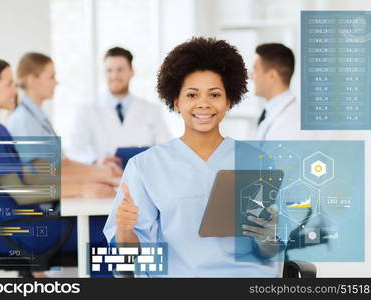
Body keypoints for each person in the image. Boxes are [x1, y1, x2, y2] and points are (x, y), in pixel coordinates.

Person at [103, 37, 286, 277]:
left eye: (214, 94)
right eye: (192, 95)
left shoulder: (257, 162)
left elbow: (272, 252)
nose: (203, 104)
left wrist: (266, 237)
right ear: (176, 101)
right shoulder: (146, 166)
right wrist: (125, 230)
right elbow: (128, 259)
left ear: (229, 100)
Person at [0, 58, 101, 269]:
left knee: (106, 226)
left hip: (26, 224)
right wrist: (83, 190)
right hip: (16, 231)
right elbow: (23, 193)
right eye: (8, 84)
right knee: (108, 228)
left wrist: (83, 187)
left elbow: (30, 178)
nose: (15, 90)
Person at [7, 52, 121, 190]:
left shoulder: (37, 117)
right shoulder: (23, 121)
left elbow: (61, 163)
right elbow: (41, 174)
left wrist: (98, 168)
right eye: (51, 77)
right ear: (32, 80)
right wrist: (96, 175)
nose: (56, 82)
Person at [68, 47, 172, 164]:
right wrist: (96, 161)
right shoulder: (87, 110)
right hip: (103, 178)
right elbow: (74, 151)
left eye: (120, 70)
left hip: (142, 178)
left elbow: (166, 149)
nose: (114, 76)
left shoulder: (151, 110)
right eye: (109, 70)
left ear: (132, 72)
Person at [251, 43, 314, 140]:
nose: (251, 77)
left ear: (272, 76)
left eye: (255, 70)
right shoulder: (273, 112)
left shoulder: (290, 123)